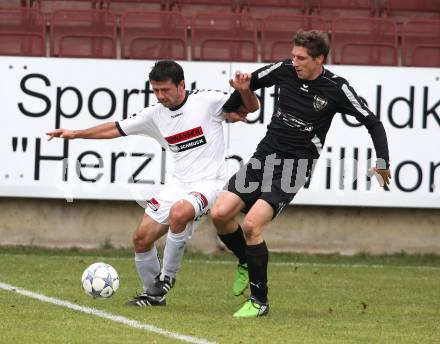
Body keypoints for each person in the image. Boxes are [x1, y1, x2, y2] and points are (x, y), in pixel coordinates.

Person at [47, 60, 259, 307]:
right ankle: (153, 295)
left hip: (209, 184)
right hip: (178, 184)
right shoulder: (154, 114)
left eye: (165, 90)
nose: (160, 96)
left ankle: (168, 276)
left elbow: (251, 107)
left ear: (181, 85)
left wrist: (244, 91)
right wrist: (76, 133)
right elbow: (115, 128)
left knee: (180, 213)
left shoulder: (208, 101)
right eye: (155, 90)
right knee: (141, 238)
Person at [210, 30, 391, 318]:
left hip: (295, 167)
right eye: (293, 55)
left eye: (301, 58)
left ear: (319, 59)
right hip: (264, 156)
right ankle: (245, 260)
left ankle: (259, 302)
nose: (294, 62)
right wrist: (234, 106)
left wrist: (383, 161)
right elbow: (250, 83)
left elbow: (373, 122)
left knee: (252, 225)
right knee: (219, 213)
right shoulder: (284, 70)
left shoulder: (336, 87)